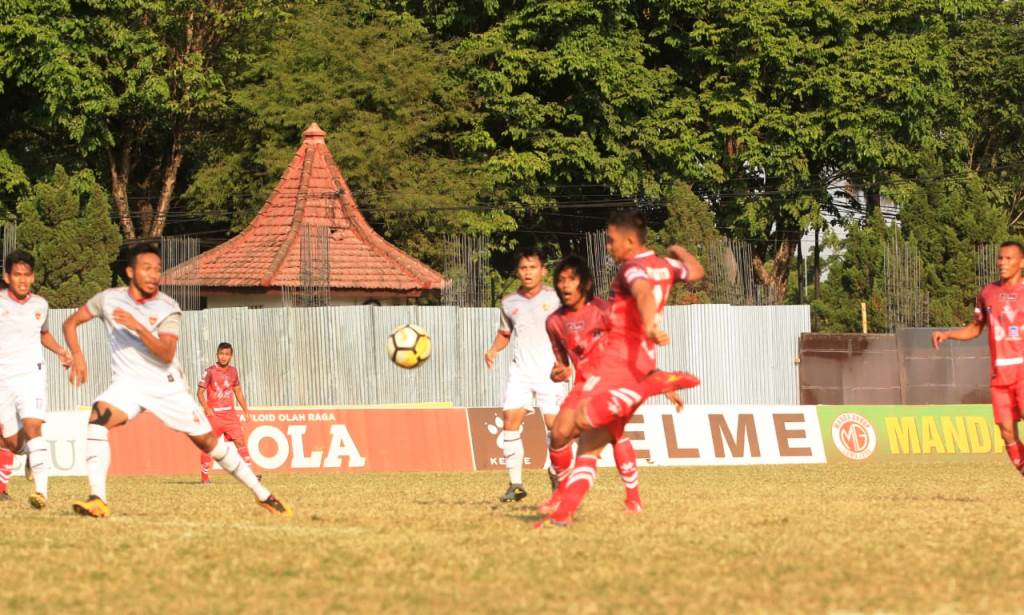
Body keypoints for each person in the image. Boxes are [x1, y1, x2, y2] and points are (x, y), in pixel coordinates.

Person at [62, 243, 291, 517]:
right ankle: (98, 498)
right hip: (128, 386)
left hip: (166, 386)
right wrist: (76, 354)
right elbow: (70, 323)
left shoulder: (167, 307)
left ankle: (262, 494)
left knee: (209, 444)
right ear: (130, 271)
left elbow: (165, 353)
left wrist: (138, 327)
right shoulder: (108, 300)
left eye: (158, 269)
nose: (153, 275)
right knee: (97, 419)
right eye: (147, 269)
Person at [541, 210, 703, 526]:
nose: (608, 247)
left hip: (617, 362)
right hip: (639, 361)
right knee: (586, 444)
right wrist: (677, 250)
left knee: (585, 421)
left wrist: (651, 322)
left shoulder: (631, 268)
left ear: (630, 241)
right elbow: (696, 271)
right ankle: (564, 511)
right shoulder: (666, 265)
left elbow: (641, 291)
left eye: (611, 241)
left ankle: (652, 385)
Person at [541, 255, 651, 514]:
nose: (565, 285)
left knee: (616, 434)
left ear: (585, 283)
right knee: (558, 434)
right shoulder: (554, 322)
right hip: (581, 387)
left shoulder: (604, 310)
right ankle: (561, 494)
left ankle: (633, 499)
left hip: (611, 382)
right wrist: (557, 372)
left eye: (571, 279)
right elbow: (562, 365)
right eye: (560, 280)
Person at [933, 240, 1024, 474]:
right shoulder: (987, 293)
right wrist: (948, 334)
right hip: (999, 376)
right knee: (1006, 432)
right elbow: (975, 328)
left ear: (1021, 263)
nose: (1002, 262)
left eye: (1009, 258)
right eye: (1000, 258)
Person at [484, 247, 565, 502]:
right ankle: (515, 484)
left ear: (543, 271)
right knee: (510, 420)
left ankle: (555, 472)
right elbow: (505, 333)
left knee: (555, 428)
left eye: (533, 267)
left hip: (549, 372)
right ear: (518, 272)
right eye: (523, 268)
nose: (528, 272)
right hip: (520, 371)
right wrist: (494, 349)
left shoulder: (557, 300)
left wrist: (566, 363)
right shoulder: (509, 303)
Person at [0, 250, 72, 507]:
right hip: (3, 379)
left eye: (26, 275)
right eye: (16, 274)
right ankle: (29, 453)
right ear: (6, 276)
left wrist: (62, 351)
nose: (22, 280)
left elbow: (43, 334)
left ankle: (41, 492)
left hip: (31, 374)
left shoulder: (40, 305)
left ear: (33, 277)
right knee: (11, 442)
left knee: (33, 427)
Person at [198, 342, 257, 484]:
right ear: (217, 354)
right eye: (221, 354)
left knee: (240, 441)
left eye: (227, 354)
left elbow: (238, 391)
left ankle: (250, 475)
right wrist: (207, 408)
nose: (224, 357)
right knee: (209, 445)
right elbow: (200, 392)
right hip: (215, 416)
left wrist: (246, 410)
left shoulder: (233, 371)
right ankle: (204, 478)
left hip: (230, 415)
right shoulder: (210, 371)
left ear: (231, 356)